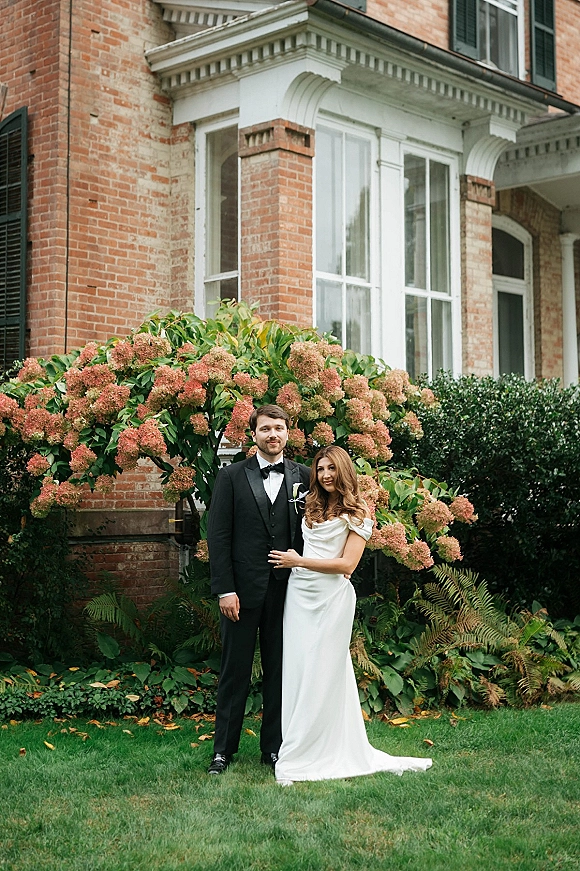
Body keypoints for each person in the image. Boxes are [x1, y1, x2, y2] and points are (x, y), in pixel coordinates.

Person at [269, 445, 433, 785]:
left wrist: (297, 561)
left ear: (343, 471)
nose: (325, 474)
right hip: (300, 596)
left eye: (331, 468)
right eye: (321, 468)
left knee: (325, 671)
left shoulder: (359, 513)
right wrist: (298, 566)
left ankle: (321, 749)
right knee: (299, 670)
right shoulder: (311, 503)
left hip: (332, 598)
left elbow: (346, 565)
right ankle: (298, 744)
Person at [206, 404, 311, 775]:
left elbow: (317, 531)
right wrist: (224, 590)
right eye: (266, 429)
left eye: (279, 428)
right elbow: (218, 538)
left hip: (289, 594)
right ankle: (223, 750)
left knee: (280, 672)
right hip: (241, 593)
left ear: (288, 433)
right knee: (234, 671)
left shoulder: (306, 477)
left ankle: (274, 748)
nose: (273, 435)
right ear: (254, 435)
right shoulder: (231, 477)